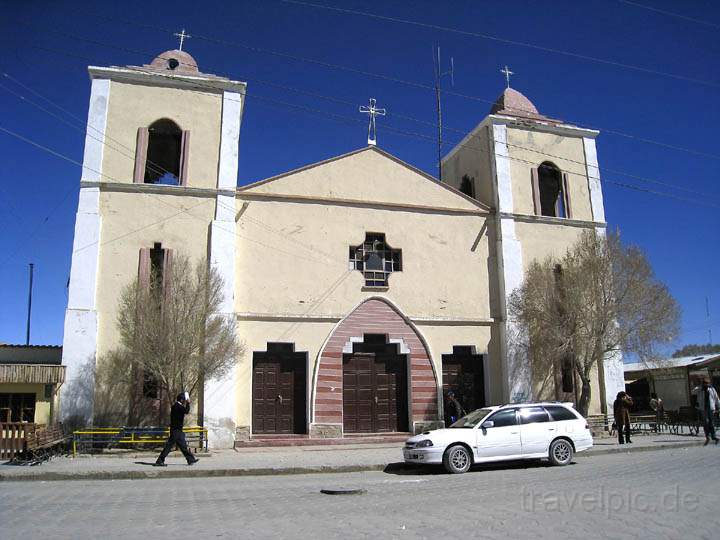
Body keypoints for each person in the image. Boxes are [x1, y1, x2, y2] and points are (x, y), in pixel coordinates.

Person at [154, 391, 199, 466]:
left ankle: (190, 460)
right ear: (181, 400)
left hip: (178, 430)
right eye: (184, 400)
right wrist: (188, 403)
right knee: (169, 446)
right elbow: (187, 411)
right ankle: (159, 461)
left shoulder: (175, 406)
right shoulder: (178, 406)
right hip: (176, 430)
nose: (184, 401)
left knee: (183, 446)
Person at [692, 377, 720, 446]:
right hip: (703, 408)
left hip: (711, 408)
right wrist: (699, 387)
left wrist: (719, 405)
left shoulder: (712, 389)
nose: (706, 384)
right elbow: (693, 391)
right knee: (706, 422)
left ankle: (713, 436)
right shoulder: (700, 389)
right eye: (704, 383)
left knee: (711, 422)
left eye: (707, 383)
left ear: (709, 383)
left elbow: (716, 398)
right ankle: (707, 436)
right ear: (703, 383)